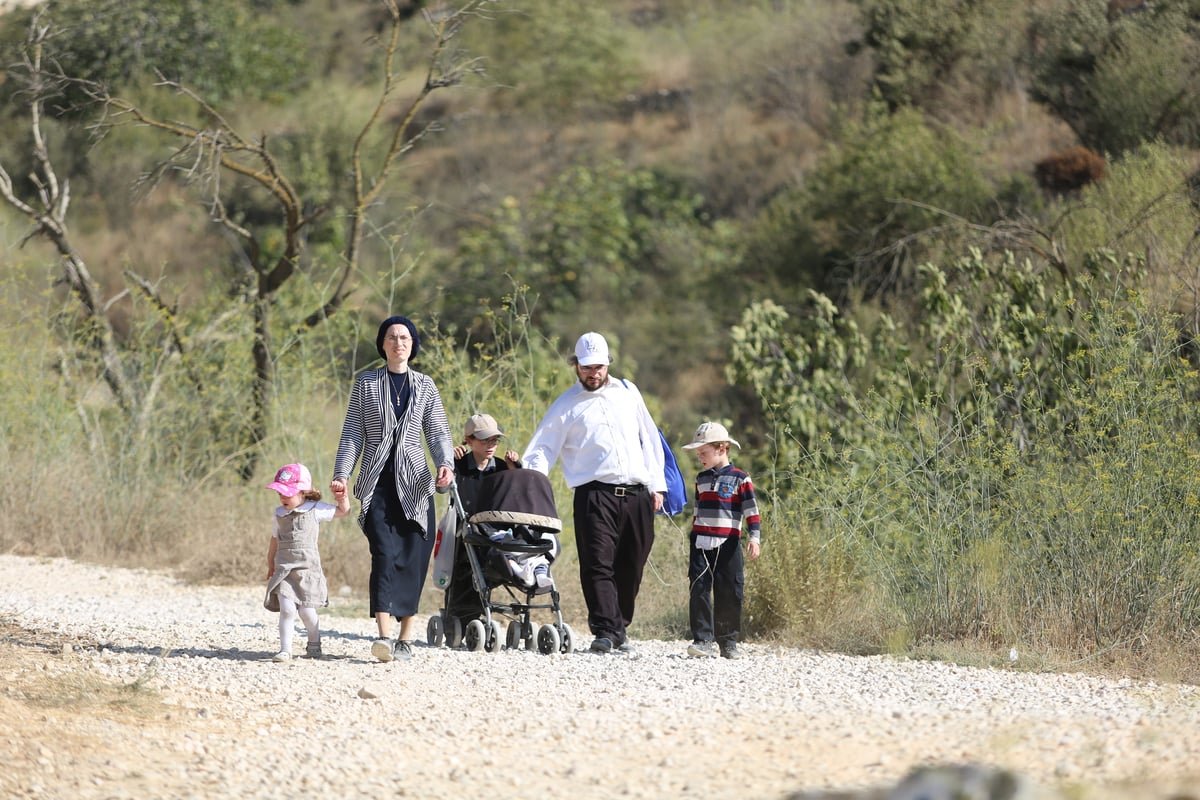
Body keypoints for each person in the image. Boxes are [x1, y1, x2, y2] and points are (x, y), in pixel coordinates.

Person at [521, 332, 666, 655]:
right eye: (586, 367)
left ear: (607, 364)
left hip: (638, 493)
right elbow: (542, 449)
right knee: (598, 564)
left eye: (598, 367)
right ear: (576, 366)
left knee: (632, 564)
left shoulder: (629, 393)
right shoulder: (566, 405)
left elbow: (649, 439)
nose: (593, 373)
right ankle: (605, 630)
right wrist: (529, 484)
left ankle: (619, 626)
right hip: (594, 495)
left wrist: (658, 485)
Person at [331, 315, 454, 663]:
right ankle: (383, 636)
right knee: (384, 554)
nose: (398, 343)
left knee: (414, 559)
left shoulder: (426, 386)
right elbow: (353, 433)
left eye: (404, 338)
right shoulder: (367, 384)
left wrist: (446, 463)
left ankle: (405, 637)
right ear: (382, 344)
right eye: (391, 337)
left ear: (412, 345)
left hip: (415, 486)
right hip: (377, 485)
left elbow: (438, 432)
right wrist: (342, 474)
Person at [680, 422, 761, 660]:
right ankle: (702, 640)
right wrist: (694, 534)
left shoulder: (740, 479)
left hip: (728, 543)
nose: (700, 458)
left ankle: (728, 642)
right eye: (698, 454)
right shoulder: (701, 478)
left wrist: (754, 538)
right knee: (699, 590)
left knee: (729, 591)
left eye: (703, 453)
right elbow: (697, 509)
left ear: (722, 448)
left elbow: (751, 512)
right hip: (701, 543)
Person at [263, 463, 350, 662]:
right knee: (287, 609)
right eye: (280, 493)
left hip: (308, 570)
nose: (283, 497)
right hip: (285, 569)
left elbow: (343, 512)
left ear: (303, 492)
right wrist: (270, 564)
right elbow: (274, 540)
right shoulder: (279, 514)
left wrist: (342, 497)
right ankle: (285, 649)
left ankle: (314, 640)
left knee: (307, 612)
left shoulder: (315, 509)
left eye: (288, 493)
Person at [444, 413, 523, 625]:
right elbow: (441, 487)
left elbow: (518, 496)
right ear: (469, 441)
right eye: (484, 440)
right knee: (464, 569)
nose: (491, 445)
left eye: (494, 440)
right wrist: (447, 461)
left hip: (497, 531)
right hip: (468, 531)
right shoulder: (459, 466)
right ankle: (458, 619)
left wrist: (515, 470)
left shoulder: (502, 467)